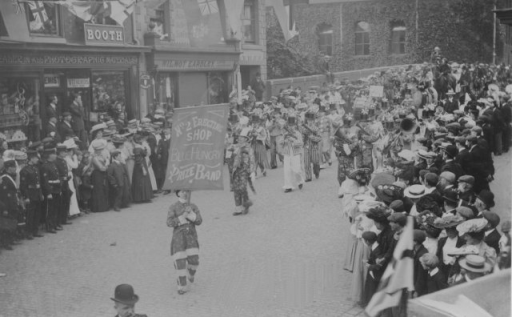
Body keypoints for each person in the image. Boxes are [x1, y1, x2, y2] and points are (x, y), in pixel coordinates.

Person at [167, 190, 202, 295]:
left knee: (194, 260)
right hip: (179, 237)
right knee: (180, 262)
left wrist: (191, 214)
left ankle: (191, 273)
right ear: (178, 193)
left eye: (186, 190)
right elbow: (169, 222)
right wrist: (181, 217)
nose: (185, 193)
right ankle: (182, 286)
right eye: (182, 191)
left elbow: (199, 221)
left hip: (191, 236)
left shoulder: (193, 206)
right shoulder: (173, 207)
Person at [19, 150, 44, 239]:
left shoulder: (36, 168)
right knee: (30, 214)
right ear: (31, 158)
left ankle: (35, 231)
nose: (37, 159)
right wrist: (26, 196)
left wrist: (40, 194)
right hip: (30, 194)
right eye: (36, 158)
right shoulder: (25, 170)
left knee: (37, 213)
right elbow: (23, 185)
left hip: (36, 193)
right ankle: (29, 232)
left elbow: (39, 183)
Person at [231, 128, 256, 216]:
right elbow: (227, 148)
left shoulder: (249, 148)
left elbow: (252, 160)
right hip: (235, 169)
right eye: (240, 137)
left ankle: (246, 204)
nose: (240, 138)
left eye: (242, 137)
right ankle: (238, 208)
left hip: (245, 170)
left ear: (246, 139)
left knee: (242, 187)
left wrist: (253, 172)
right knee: (236, 188)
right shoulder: (235, 146)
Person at [279, 115, 305, 193]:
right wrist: (285, 140)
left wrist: (293, 140)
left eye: (292, 125)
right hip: (287, 153)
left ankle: (300, 181)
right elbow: (280, 142)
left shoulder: (297, 134)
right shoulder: (285, 133)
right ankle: (288, 186)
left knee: (297, 169)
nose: (291, 127)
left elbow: (301, 143)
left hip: (295, 153)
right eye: (289, 125)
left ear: (295, 126)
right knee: (287, 170)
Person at [0, 160, 21, 249]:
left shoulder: (10, 177)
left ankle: (11, 239)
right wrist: (4, 208)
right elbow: (4, 194)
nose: (15, 169)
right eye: (13, 167)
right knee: (6, 224)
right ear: (8, 168)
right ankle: (6, 243)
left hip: (12, 203)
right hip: (7, 205)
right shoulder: (4, 178)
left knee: (12, 222)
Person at [40, 146, 60, 233]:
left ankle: (54, 224)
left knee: (55, 208)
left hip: (56, 189)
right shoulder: (45, 166)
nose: (55, 155)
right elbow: (45, 181)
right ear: (49, 155)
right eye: (53, 154)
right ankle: (49, 226)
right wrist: (48, 192)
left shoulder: (53, 164)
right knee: (50, 209)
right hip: (50, 190)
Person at [301, 111, 322, 181]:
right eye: (309, 120)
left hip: (314, 147)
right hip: (306, 147)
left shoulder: (316, 128)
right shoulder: (303, 128)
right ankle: (308, 177)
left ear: (313, 121)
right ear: (307, 120)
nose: (310, 121)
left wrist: (312, 137)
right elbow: (301, 137)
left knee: (315, 161)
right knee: (306, 163)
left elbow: (319, 138)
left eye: (311, 120)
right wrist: (303, 137)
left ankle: (316, 171)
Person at [90, 139, 110, 212]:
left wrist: (106, 164)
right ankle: (98, 207)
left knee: (102, 189)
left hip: (101, 174)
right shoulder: (94, 157)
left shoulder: (101, 156)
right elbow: (101, 168)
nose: (100, 151)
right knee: (98, 190)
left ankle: (103, 206)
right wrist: (107, 165)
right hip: (97, 174)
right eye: (99, 150)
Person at [413, 229, 429, 297]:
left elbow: (421, 276)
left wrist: (417, 291)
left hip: (419, 289)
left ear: (415, 242)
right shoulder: (414, 250)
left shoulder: (422, 254)